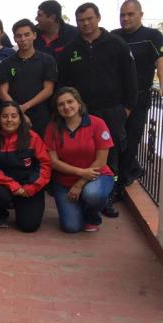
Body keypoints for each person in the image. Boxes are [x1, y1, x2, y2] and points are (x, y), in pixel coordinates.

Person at [57, 2, 137, 218]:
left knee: (112, 157)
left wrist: (125, 110)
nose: (85, 23)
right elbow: (63, 83)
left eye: (89, 19)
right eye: (81, 20)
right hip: (80, 114)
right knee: (83, 154)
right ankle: (82, 193)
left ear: (98, 18)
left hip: (112, 111)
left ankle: (108, 198)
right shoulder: (71, 50)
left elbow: (130, 80)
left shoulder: (116, 45)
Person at [112, 0, 163, 187]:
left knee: (132, 138)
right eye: (122, 15)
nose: (125, 18)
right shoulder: (114, 37)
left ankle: (121, 183)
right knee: (115, 141)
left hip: (139, 97)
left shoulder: (152, 36)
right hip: (116, 100)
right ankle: (127, 172)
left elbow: (160, 61)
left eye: (130, 14)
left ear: (140, 14)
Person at [45, 87, 115, 233]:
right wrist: (81, 172)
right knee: (71, 227)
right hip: (64, 182)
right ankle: (81, 206)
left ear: (79, 103)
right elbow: (53, 161)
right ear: (57, 109)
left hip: (96, 176)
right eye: (61, 104)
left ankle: (92, 216)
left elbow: (101, 161)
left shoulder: (97, 124)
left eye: (70, 102)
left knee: (92, 194)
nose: (66, 107)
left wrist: (80, 183)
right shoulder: (52, 128)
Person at [0, 101, 51, 231]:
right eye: (5, 116)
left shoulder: (33, 137)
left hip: (29, 186)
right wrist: (14, 187)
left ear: (20, 119)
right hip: (5, 185)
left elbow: (45, 166)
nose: (9, 120)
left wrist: (31, 188)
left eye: (14, 116)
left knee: (29, 227)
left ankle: (20, 205)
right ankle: (0, 216)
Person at [0, 18, 57, 137]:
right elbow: (2, 92)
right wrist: (17, 112)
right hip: (13, 118)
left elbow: (48, 90)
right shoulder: (6, 63)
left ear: (34, 35)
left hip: (40, 115)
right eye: (19, 36)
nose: (23, 39)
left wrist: (25, 107)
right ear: (14, 38)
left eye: (26, 35)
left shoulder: (47, 60)